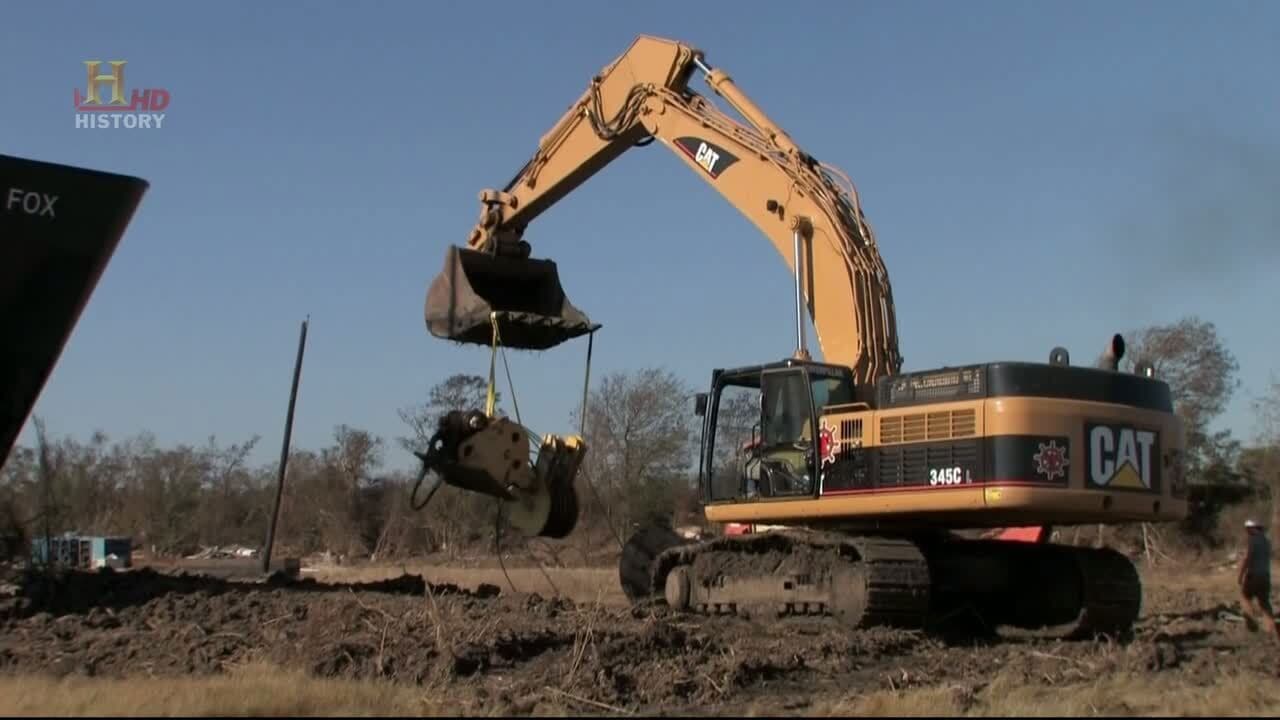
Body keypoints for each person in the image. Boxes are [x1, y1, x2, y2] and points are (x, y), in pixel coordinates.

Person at [1238, 519, 1280, 643]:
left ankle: (1252, 624)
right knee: (1265, 603)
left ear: (1251, 529)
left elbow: (1247, 558)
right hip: (1265, 577)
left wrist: (1240, 575)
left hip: (1253, 576)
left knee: (1245, 597)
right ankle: (1271, 629)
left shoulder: (1253, 541)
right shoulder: (1267, 541)